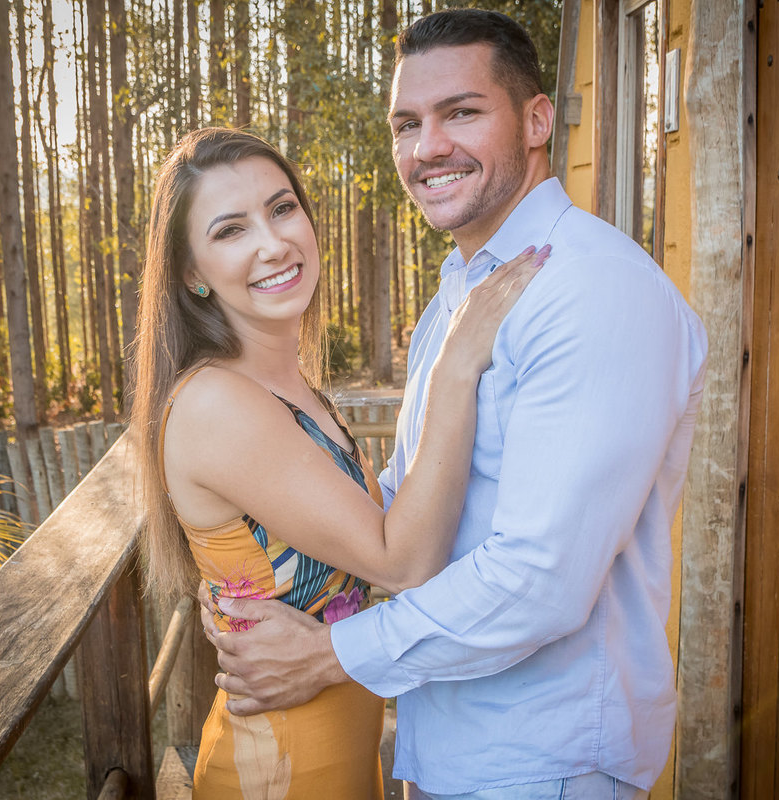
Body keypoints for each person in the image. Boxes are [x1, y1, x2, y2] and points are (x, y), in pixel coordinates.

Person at [203, 10, 709, 800]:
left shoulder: (591, 290)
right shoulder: (462, 295)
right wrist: (255, 578)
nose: (427, 147)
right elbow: (414, 511)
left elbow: (540, 581)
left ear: (537, 120)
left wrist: (330, 654)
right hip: (450, 743)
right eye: (407, 124)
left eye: (461, 112)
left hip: (543, 759)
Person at [129, 127, 548, 798]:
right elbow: (401, 561)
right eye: (231, 230)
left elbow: (344, 527)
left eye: (282, 208)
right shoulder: (218, 403)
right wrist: (457, 363)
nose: (273, 243)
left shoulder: (283, 383)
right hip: (279, 771)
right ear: (191, 273)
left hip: (342, 755)